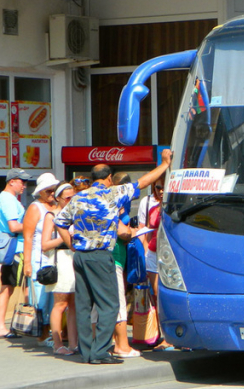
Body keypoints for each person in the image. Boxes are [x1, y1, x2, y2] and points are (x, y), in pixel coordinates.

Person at [54, 150, 172, 364]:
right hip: (101, 256)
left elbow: (60, 221)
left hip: (80, 257)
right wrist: (164, 165)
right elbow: (144, 181)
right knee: (109, 305)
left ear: (91, 179)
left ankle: (87, 352)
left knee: (83, 305)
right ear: (109, 179)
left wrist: (71, 244)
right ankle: (99, 352)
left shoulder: (78, 197)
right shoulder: (113, 193)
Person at [0, 168, 33, 339]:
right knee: (9, 287)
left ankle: (10, 324)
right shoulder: (8, 199)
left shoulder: (8, 198)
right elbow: (14, 226)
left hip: (16, 247)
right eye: (22, 181)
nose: (24, 185)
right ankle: (1, 326)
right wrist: (34, 224)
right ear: (12, 181)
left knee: (16, 286)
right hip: (15, 248)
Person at [22, 172, 59, 346]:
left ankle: (52, 332)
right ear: (41, 192)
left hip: (53, 258)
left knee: (53, 297)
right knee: (41, 299)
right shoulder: (35, 208)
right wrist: (27, 263)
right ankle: (42, 335)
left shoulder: (57, 207)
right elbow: (28, 237)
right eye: (49, 191)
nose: (52, 194)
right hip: (38, 259)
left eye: (54, 191)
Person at [41, 182, 78, 355]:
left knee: (74, 305)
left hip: (74, 260)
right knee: (61, 304)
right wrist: (65, 237)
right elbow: (45, 245)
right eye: (67, 198)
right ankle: (58, 344)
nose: (71, 201)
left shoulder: (76, 214)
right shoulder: (51, 216)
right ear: (58, 198)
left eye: (73, 197)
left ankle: (73, 343)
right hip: (61, 260)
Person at [137, 176, 171, 350]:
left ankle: (169, 336)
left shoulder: (174, 206)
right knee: (156, 294)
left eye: (165, 187)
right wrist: (144, 249)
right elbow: (147, 231)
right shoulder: (151, 206)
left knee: (166, 294)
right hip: (152, 253)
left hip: (169, 256)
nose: (161, 190)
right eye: (158, 187)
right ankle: (160, 334)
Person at [110, 171, 140, 358]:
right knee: (118, 300)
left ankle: (110, 342)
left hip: (119, 255)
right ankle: (122, 345)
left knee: (108, 301)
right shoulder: (114, 202)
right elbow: (121, 231)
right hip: (114, 256)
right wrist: (132, 231)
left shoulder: (123, 202)